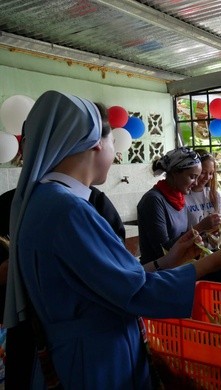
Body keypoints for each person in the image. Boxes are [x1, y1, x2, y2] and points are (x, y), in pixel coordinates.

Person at [4, 90, 221, 388]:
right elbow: (134, 292)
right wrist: (209, 263)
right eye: (113, 141)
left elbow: (111, 281)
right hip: (98, 359)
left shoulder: (45, 202)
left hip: (85, 351)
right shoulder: (68, 211)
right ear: (96, 142)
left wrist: (170, 259)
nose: (117, 151)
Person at [0, 123, 127, 389]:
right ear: (23, 150)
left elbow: (120, 271)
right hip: (26, 333)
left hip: (90, 341)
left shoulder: (95, 203)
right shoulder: (6, 206)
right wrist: (27, 263)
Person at [137, 147, 221, 265]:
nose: (196, 183)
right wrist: (200, 227)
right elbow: (164, 251)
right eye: (192, 177)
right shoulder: (153, 200)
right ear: (175, 173)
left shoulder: (179, 199)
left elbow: (181, 238)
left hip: (178, 267)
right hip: (158, 273)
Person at [185, 149, 221, 230]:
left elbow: (220, 226)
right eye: (203, 172)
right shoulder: (183, 196)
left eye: (211, 173)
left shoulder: (214, 195)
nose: (207, 178)